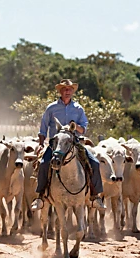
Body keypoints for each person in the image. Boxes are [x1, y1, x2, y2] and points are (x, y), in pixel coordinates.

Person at [30, 79, 106, 211]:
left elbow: (84, 129)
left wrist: (75, 126)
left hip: (74, 143)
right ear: (60, 91)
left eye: (70, 89)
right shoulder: (51, 108)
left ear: (72, 92)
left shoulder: (78, 109)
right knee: (43, 163)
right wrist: (41, 144)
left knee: (94, 163)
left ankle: (95, 196)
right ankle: (40, 196)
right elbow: (43, 128)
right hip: (55, 144)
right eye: (65, 89)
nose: (68, 91)